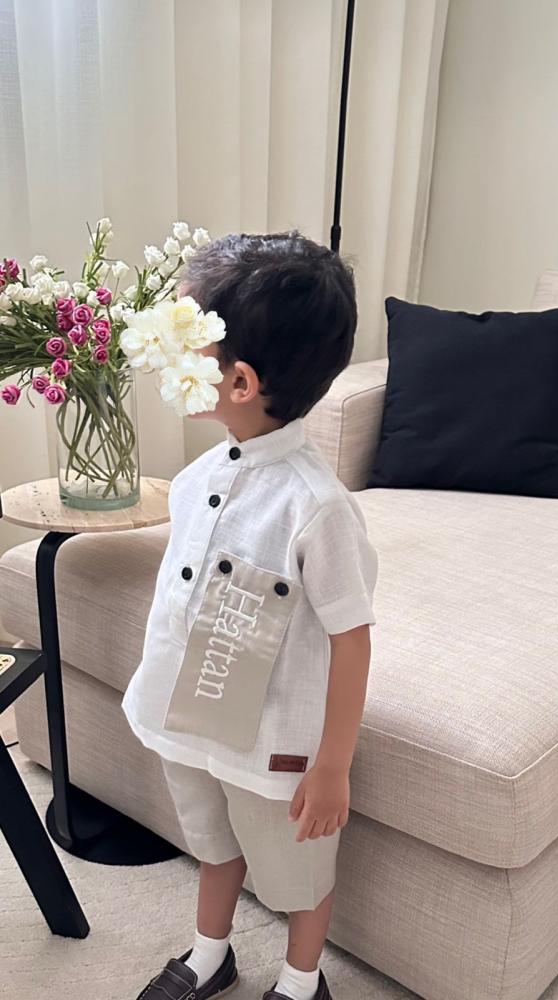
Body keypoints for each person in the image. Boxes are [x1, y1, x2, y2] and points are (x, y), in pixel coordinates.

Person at [123, 231, 379, 1000]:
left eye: (183, 341)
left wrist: (332, 765)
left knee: (298, 874)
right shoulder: (196, 478)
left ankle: (302, 983)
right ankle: (211, 954)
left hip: (273, 747)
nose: (168, 357)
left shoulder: (317, 508)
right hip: (188, 716)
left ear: (238, 381)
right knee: (210, 841)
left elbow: (352, 639)